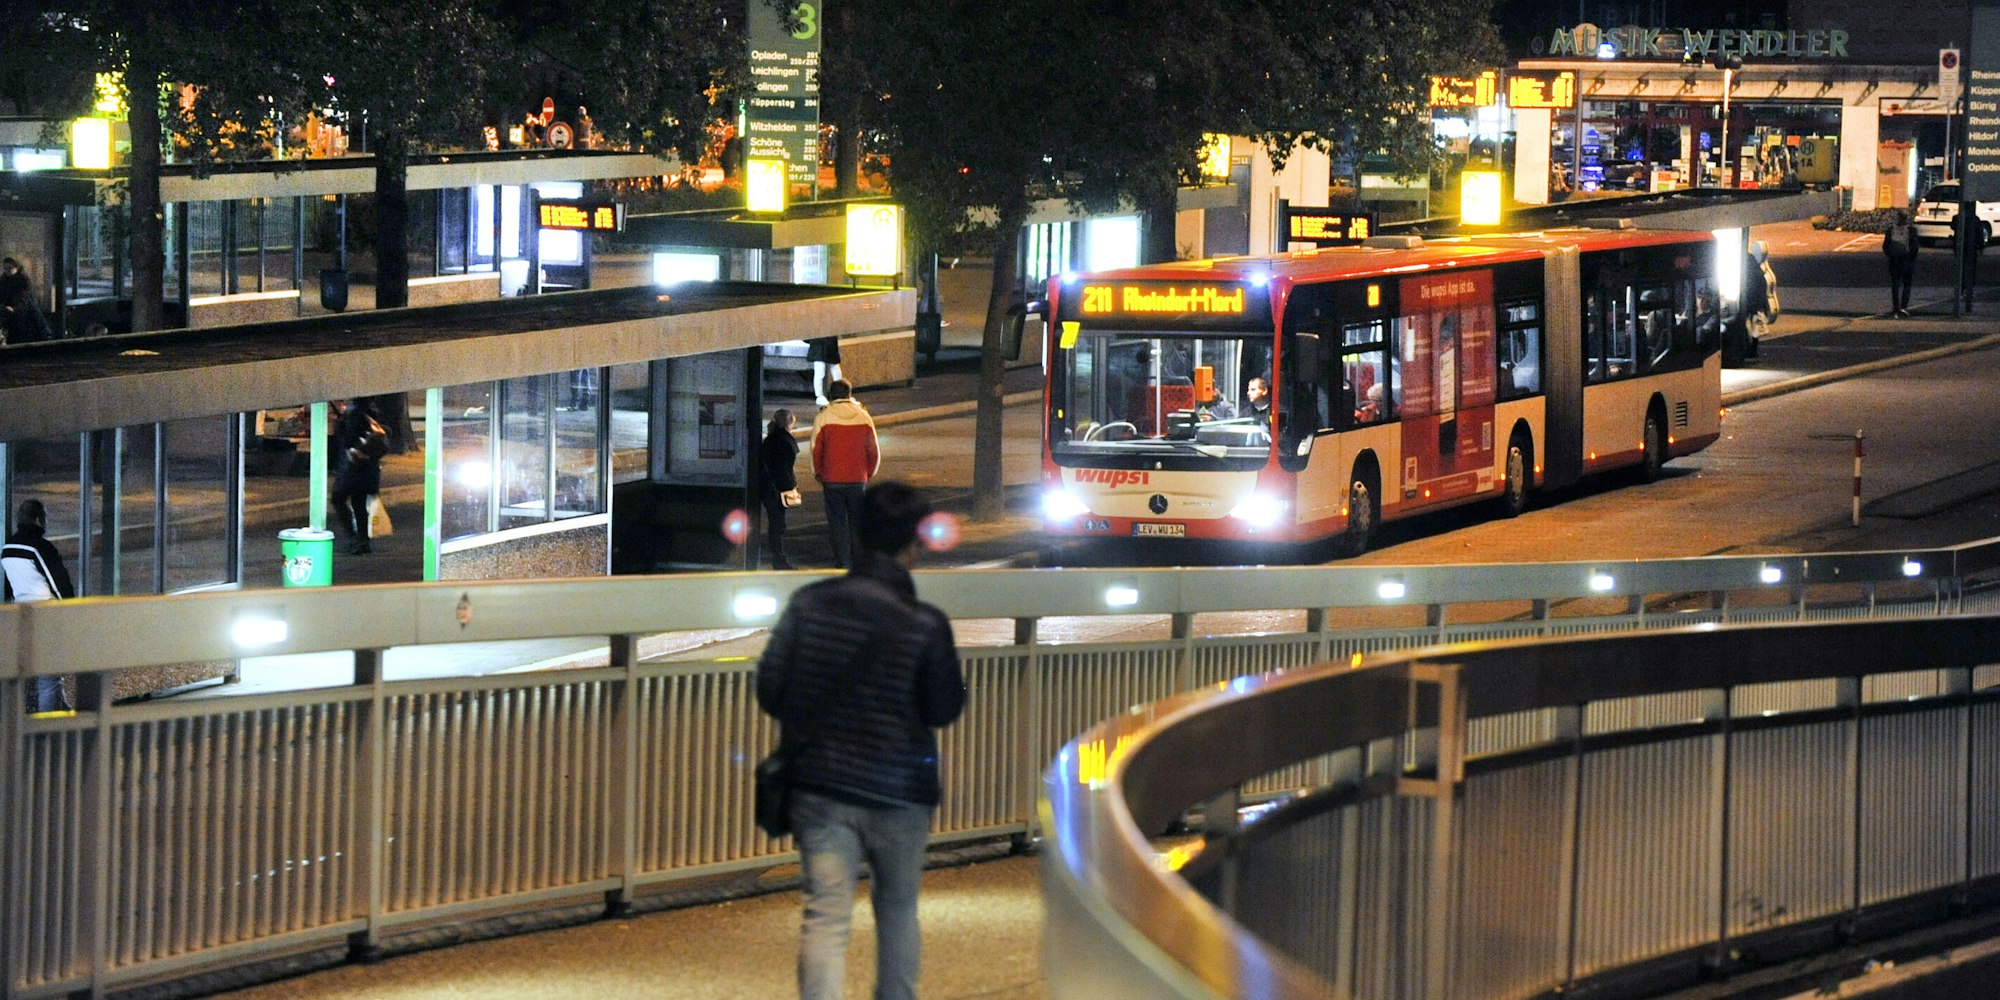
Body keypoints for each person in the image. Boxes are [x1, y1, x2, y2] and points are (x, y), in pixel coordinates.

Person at [755, 481, 966, 1000]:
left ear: (858, 535)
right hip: (899, 790)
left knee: (825, 916)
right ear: (914, 544)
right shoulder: (924, 623)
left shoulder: (809, 605)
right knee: (897, 909)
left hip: (821, 786)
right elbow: (943, 709)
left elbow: (772, 690)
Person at [4, 499, 75, 712]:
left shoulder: (8, 548)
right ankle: (49, 728)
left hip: (21, 614)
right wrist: (72, 608)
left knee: (47, 676)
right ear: (38, 518)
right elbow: (59, 582)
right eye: (44, 516)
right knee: (50, 678)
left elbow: (9, 587)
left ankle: (62, 710)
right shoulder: (40, 547)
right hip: (46, 614)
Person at [811, 381, 878, 569]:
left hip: (831, 479)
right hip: (858, 479)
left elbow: (816, 450)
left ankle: (842, 561)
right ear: (850, 394)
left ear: (831, 395)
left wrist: (818, 473)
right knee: (858, 522)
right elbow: (873, 451)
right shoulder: (863, 417)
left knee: (837, 523)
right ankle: (859, 559)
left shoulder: (823, 418)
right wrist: (868, 473)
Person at [330, 399, 385, 555]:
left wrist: (339, 424)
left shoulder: (355, 414)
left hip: (354, 468)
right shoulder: (370, 412)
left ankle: (356, 538)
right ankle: (362, 539)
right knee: (358, 504)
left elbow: (348, 439)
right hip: (367, 469)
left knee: (338, 498)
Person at [760, 408, 800, 570]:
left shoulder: (771, 439)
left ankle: (779, 558)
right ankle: (778, 560)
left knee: (776, 524)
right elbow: (784, 469)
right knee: (778, 525)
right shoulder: (784, 440)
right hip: (777, 489)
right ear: (790, 422)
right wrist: (791, 487)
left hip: (768, 487)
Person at [0, 257, 53, 344]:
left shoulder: (23, 280)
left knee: (26, 336)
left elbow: (24, 297)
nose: (7, 271)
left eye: (10, 268)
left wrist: (15, 308)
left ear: (16, 267)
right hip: (11, 311)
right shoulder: (3, 279)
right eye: (5, 268)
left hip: (24, 312)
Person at [1884, 208, 1918, 317]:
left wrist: (1891, 255)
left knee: (1895, 285)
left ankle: (1895, 307)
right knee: (1907, 284)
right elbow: (1915, 247)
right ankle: (1904, 307)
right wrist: (1911, 257)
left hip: (1894, 261)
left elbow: (1885, 246)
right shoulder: (1911, 230)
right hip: (1907, 260)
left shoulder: (1891, 230)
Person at [807, 336, 844, 407]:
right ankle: (820, 395)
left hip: (822, 345)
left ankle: (840, 393)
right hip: (821, 345)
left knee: (834, 371)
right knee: (821, 372)